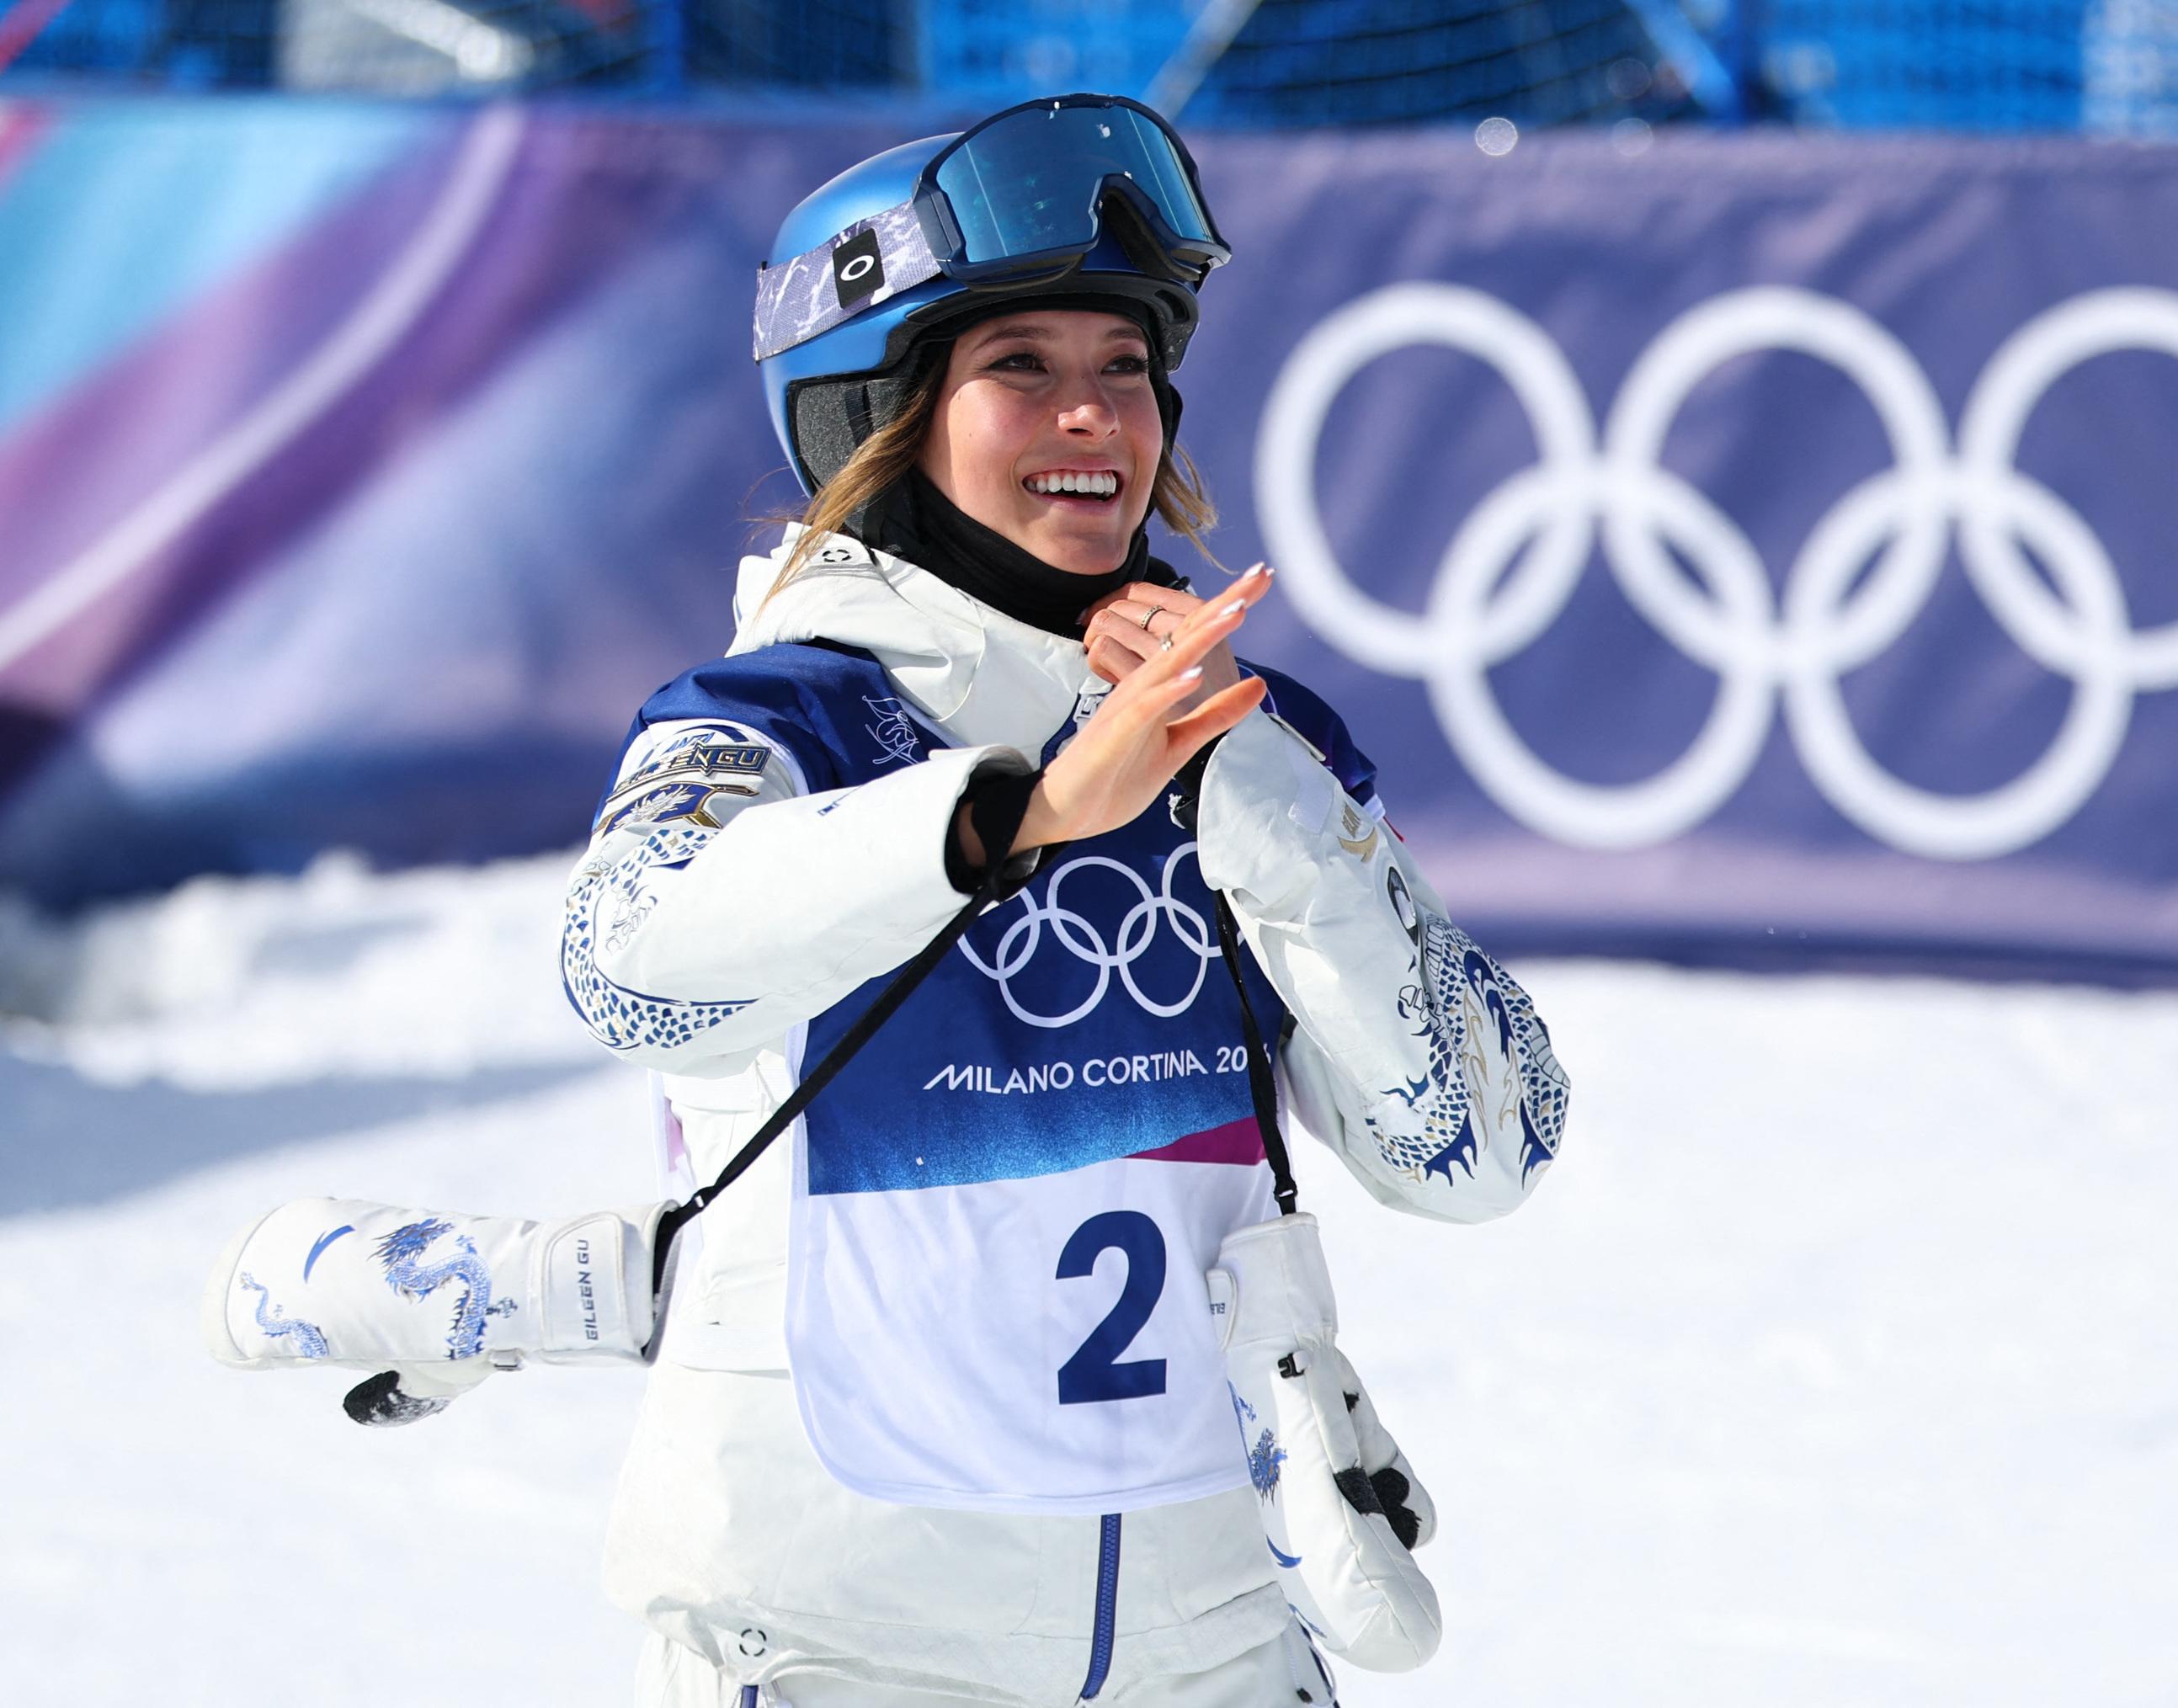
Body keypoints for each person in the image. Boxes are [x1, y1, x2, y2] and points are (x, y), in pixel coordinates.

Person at [563, 95, 1572, 1708]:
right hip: (842, 1646)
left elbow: (1482, 1148)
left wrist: (1256, 798)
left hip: (1221, 1636)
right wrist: (1010, 818)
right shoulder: (770, 728)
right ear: (875, 420)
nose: (1092, 415)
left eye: (1125, 368)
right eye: (1018, 367)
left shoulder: (1260, 744)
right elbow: (625, 966)